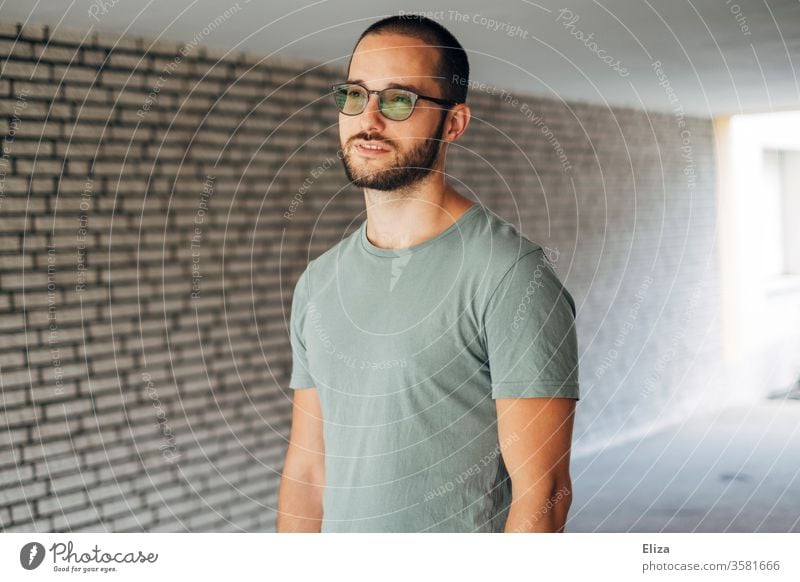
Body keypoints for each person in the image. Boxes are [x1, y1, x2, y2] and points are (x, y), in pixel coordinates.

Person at [277, 14, 580, 533]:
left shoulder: (511, 277)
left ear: (454, 123)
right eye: (355, 94)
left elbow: (544, 495)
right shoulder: (320, 282)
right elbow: (308, 471)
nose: (368, 119)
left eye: (399, 100)